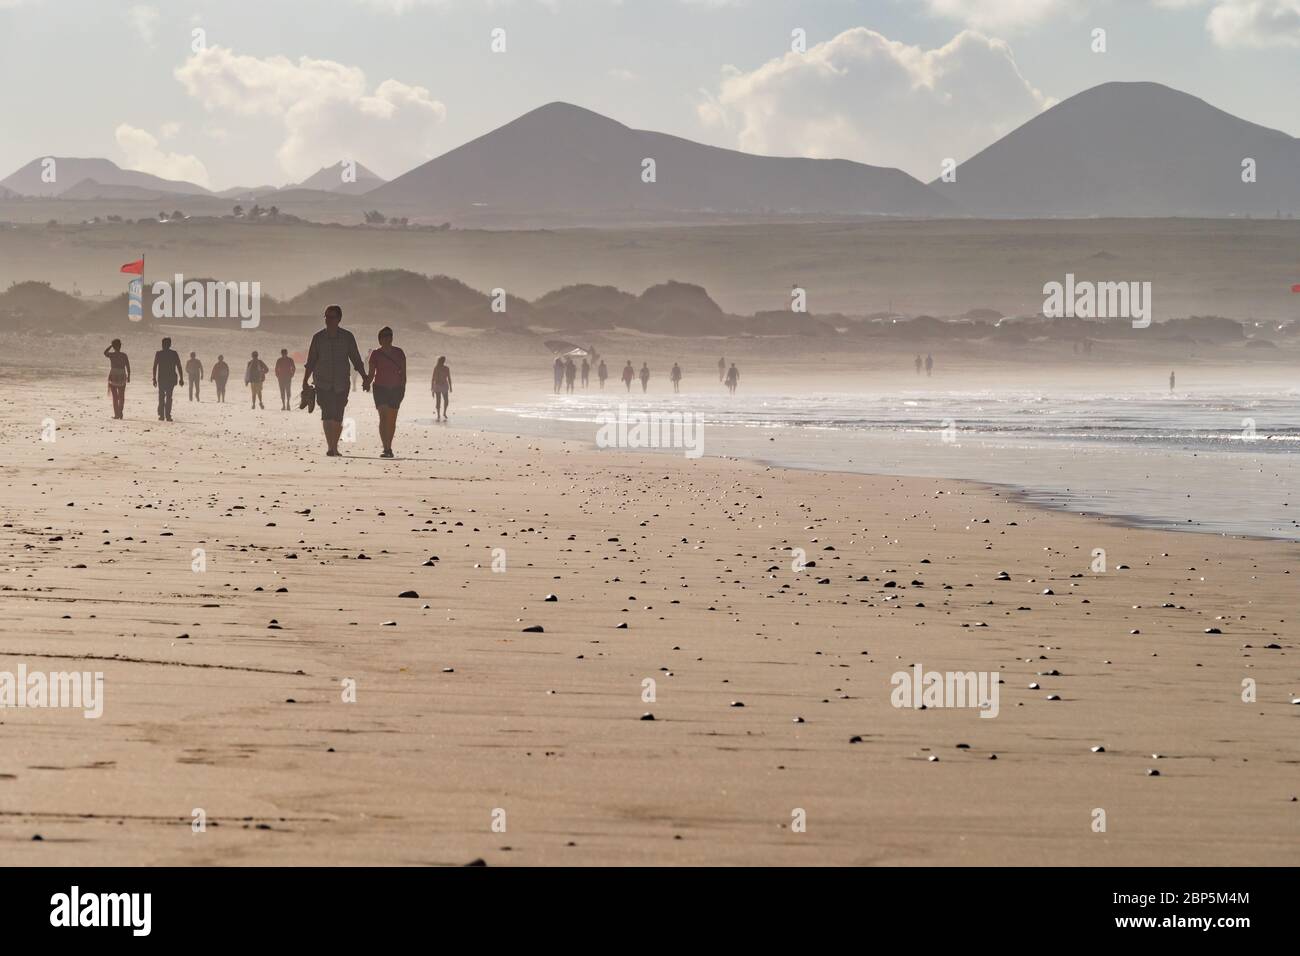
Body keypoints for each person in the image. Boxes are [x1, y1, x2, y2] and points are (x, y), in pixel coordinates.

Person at [303, 304, 369, 457]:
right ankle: (330, 447)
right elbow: (311, 361)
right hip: (322, 381)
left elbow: (356, 359)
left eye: (331, 317)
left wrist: (365, 377)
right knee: (326, 413)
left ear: (339, 319)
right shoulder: (318, 338)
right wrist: (305, 381)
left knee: (338, 414)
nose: (327, 320)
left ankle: (334, 446)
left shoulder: (347, 337)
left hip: (341, 382)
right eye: (326, 316)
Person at [368, 326, 406, 458]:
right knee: (383, 417)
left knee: (392, 419)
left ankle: (389, 446)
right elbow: (371, 373)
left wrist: (402, 389)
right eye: (384, 336)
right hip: (380, 388)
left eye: (389, 335)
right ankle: (386, 448)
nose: (387, 338)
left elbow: (404, 374)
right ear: (380, 339)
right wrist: (366, 382)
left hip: (396, 389)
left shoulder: (399, 352)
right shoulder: (375, 354)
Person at [152, 337, 183, 422]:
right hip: (171, 378)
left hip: (162, 378)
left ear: (162, 344)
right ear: (170, 345)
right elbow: (179, 366)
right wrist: (181, 378)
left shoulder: (159, 353)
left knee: (162, 396)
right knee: (169, 397)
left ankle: (162, 415)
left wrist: (154, 378)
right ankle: (167, 415)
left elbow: (155, 367)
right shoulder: (173, 353)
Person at [104, 339, 130, 419]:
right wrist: (129, 375)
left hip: (114, 375)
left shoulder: (112, 355)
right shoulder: (124, 355)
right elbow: (128, 366)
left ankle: (116, 414)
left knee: (115, 397)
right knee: (121, 396)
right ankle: (120, 413)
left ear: (114, 347)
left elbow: (105, 353)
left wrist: (111, 346)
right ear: (120, 346)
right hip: (122, 374)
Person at [431, 355, 452, 421]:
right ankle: (438, 414)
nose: (443, 361)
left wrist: (451, 387)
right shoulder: (436, 368)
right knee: (438, 400)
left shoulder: (446, 368)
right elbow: (433, 378)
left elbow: (449, 378)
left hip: (444, 385)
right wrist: (432, 388)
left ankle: (444, 413)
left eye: (443, 360)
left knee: (446, 400)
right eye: (442, 360)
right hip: (437, 385)